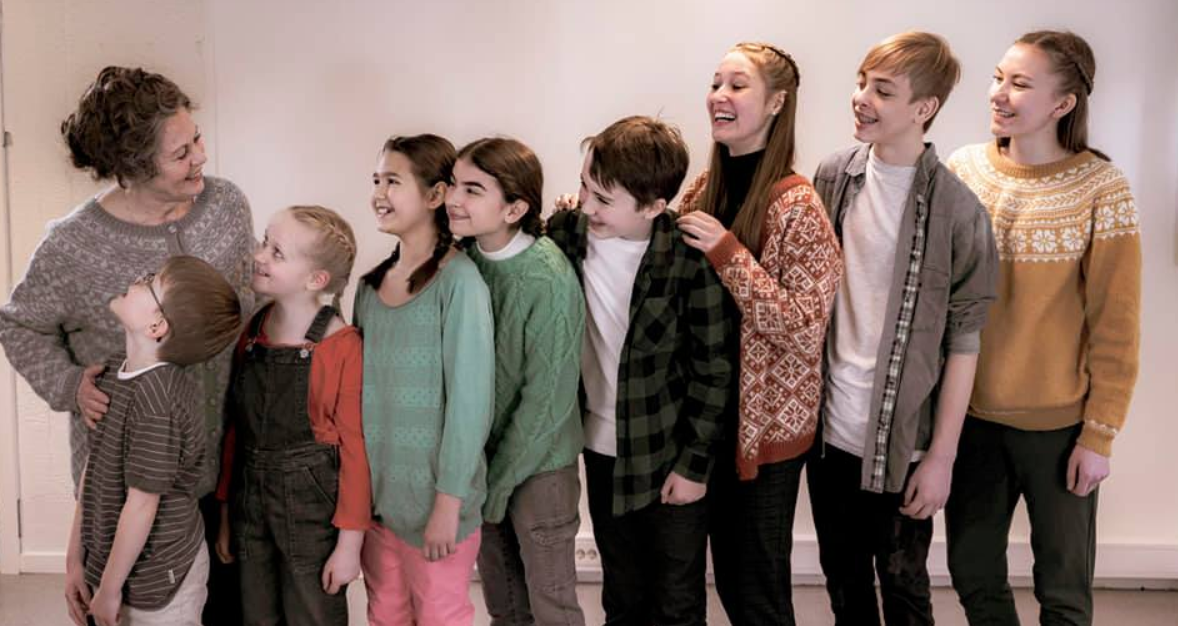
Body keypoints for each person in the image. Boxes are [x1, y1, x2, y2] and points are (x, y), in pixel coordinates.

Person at [0, 65, 255, 626]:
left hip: (226, 463)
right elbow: (20, 325)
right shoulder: (72, 245)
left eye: (197, 139)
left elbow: (248, 306)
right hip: (124, 482)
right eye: (181, 153)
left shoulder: (227, 206)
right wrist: (70, 385)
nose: (201, 157)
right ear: (132, 168)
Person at [945, 30, 1141, 625]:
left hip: (1059, 427)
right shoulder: (963, 170)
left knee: (1063, 589)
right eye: (998, 77)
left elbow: (1117, 325)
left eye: (1020, 84)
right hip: (968, 419)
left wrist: (1099, 437)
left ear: (1063, 104)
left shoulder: (1101, 188)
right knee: (973, 574)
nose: (999, 93)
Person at [809, 31, 998, 625]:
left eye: (883, 91)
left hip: (904, 444)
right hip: (830, 431)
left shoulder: (959, 211)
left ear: (924, 108)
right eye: (862, 83)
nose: (862, 98)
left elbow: (964, 342)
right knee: (844, 586)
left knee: (906, 591)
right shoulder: (833, 176)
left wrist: (941, 458)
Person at [676, 42, 842, 626]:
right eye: (715, 83)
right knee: (724, 582)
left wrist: (728, 252)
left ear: (776, 103)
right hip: (708, 421)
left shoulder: (799, 205)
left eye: (737, 85)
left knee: (757, 594)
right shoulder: (704, 186)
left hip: (765, 434)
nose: (719, 96)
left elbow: (802, 328)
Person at [548, 115, 734, 626]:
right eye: (585, 187)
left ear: (654, 206)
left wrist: (693, 466)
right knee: (622, 592)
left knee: (676, 599)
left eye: (604, 199)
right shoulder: (566, 234)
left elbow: (714, 371)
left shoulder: (688, 260)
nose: (588, 206)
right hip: (601, 449)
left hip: (667, 453)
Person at [356, 134, 495, 626]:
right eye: (376, 180)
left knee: (440, 616)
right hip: (378, 508)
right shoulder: (368, 290)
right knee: (384, 615)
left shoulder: (459, 283)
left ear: (435, 195)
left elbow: (470, 403)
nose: (379, 193)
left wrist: (448, 504)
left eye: (393, 181)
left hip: (438, 506)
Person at [448, 137, 587, 626]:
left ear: (515, 208)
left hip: (540, 467)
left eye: (472, 189)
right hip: (482, 461)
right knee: (504, 603)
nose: (453, 199)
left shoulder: (547, 277)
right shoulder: (461, 262)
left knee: (552, 606)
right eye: (453, 184)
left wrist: (499, 482)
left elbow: (545, 401)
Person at [63, 255, 242, 626]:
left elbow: (143, 504)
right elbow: (94, 469)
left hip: (160, 580)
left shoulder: (158, 403)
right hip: (114, 566)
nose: (137, 278)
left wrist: (109, 589)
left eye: (150, 281)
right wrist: (74, 560)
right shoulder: (115, 370)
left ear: (157, 325)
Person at [215, 205, 370, 625]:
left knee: (312, 615)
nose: (259, 255)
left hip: (311, 514)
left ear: (315, 279)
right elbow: (236, 431)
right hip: (250, 506)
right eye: (265, 242)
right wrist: (227, 511)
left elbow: (355, 451)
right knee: (256, 615)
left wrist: (350, 544)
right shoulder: (253, 331)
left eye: (277, 252)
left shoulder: (343, 346)